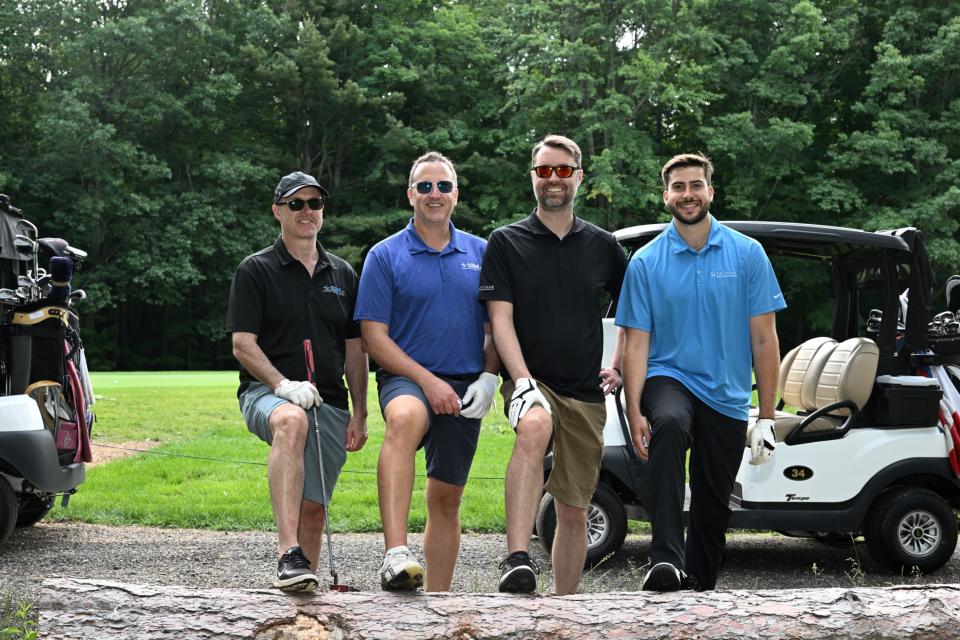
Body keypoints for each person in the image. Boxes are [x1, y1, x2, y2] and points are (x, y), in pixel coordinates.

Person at [616, 153, 785, 592]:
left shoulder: (747, 254)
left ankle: (701, 591)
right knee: (669, 423)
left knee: (713, 501)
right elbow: (635, 344)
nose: (687, 194)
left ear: (711, 190)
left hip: (726, 394)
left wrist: (766, 415)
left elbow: (764, 339)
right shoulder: (645, 262)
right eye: (678, 187)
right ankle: (666, 561)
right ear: (665, 195)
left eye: (696, 185)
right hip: (667, 377)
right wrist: (634, 411)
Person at [478, 134, 628, 595]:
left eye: (562, 171)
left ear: (578, 177)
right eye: (544, 171)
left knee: (574, 507)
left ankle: (565, 607)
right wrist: (520, 382)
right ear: (533, 178)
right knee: (534, 426)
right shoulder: (505, 241)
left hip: (585, 390)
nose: (553, 179)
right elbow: (499, 319)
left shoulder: (603, 246)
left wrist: (618, 364)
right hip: (531, 379)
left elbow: (635, 313)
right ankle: (517, 560)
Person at [355, 151, 500, 592]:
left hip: (465, 387)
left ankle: (438, 601)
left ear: (455, 193)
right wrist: (428, 381)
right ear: (410, 194)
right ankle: (396, 554)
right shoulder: (384, 255)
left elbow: (499, 325)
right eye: (424, 186)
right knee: (406, 417)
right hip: (406, 379)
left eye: (442, 186)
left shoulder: (483, 252)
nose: (433, 194)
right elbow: (373, 337)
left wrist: (489, 376)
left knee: (446, 499)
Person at [226, 171, 368, 592]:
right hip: (266, 393)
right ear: (277, 211)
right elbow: (242, 345)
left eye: (315, 204)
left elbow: (356, 350)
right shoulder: (255, 270)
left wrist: (360, 411)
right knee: (291, 422)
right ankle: (288, 553)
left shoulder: (342, 274)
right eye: (296, 204)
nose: (307, 212)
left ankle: (303, 590)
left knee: (315, 511)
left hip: (330, 403)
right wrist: (282, 385)